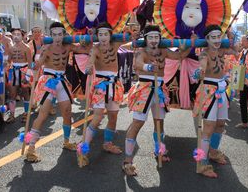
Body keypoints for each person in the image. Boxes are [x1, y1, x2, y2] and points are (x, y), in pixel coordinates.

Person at [122, 24, 192, 176]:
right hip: (144, 90)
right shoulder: (141, 51)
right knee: (138, 123)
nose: (154, 40)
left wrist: (191, 43)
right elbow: (138, 64)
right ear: (145, 39)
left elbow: (180, 56)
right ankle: (127, 161)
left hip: (159, 90)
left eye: (156, 37)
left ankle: (159, 150)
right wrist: (148, 67)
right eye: (151, 37)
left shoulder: (164, 51)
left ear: (160, 38)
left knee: (159, 123)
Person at [24, 22, 89, 162]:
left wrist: (87, 38)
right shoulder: (46, 48)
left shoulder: (68, 46)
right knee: (43, 114)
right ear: (50, 35)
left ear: (64, 35)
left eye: (60, 34)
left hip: (62, 80)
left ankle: (66, 141)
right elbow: (38, 64)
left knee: (67, 112)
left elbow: (84, 49)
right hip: (48, 80)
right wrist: (32, 65)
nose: (57, 38)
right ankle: (31, 149)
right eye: (54, 35)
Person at [78, 22, 135, 166]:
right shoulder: (95, 49)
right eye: (100, 34)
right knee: (97, 117)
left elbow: (128, 37)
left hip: (115, 84)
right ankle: (83, 147)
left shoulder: (115, 45)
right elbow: (90, 62)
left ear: (110, 35)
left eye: (105, 34)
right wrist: (89, 68)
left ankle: (107, 143)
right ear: (97, 36)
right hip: (100, 85)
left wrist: (129, 29)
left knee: (113, 116)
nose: (103, 37)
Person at [193, 25, 237, 178]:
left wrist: (231, 38)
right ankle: (201, 163)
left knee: (221, 124)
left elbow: (237, 50)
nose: (217, 40)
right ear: (207, 39)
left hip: (222, 90)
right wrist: (200, 72)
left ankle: (212, 152)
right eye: (213, 37)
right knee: (209, 127)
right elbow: (202, 66)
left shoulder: (223, 51)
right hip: (209, 91)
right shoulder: (204, 54)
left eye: (219, 36)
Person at [5, 28, 32, 123]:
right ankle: (12, 115)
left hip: (24, 71)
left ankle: (26, 113)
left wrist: (27, 76)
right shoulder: (11, 48)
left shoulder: (27, 48)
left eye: (18, 34)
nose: (16, 36)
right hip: (13, 71)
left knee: (25, 93)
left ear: (22, 36)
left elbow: (30, 63)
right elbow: (9, 61)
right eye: (14, 34)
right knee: (12, 94)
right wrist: (6, 67)